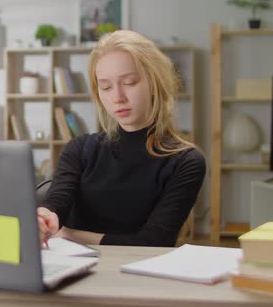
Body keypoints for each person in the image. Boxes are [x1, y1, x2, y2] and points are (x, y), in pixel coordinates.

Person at [38, 30, 206, 247]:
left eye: (129, 82)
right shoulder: (80, 149)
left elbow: (152, 243)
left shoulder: (185, 162)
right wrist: (44, 217)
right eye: (106, 87)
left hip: (136, 275)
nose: (117, 97)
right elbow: (56, 204)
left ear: (155, 83)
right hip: (73, 272)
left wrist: (70, 235)